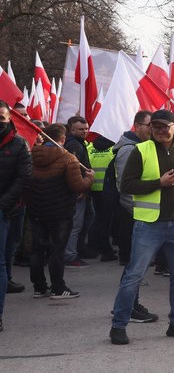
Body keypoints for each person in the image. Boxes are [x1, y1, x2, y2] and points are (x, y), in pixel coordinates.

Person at [109, 109, 174, 345]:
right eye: (157, 126)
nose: (162, 130)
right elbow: (126, 185)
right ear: (151, 128)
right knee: (134, 275)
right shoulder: (140, 150)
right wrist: (159, 183)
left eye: (166, 126)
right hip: (148, 224)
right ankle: (118, 326)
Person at [27, 124, 93, 300]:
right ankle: (58, 288)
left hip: (36, 209)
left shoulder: (31, 156)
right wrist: (89, 179)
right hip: (60, 212)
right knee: (57, 250)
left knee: (37, 249)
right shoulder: (68, 158)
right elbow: (77, 186)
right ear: (62, 139)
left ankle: (39, 288)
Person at [112, 112, 160, 324]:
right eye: (149, 126)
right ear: (137, 126)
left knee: (136, 265)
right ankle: (129, 308)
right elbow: (125, 187)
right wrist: (142, 212)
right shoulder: (129, 150)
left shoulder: (141, 147)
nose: (153, 130)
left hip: (139, 213)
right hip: (133, 214)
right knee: (135, 266)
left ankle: (125, 306)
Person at [0, 100, 33, 331]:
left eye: (1, 119)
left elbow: (24, 177)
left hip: (3, 210)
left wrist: (3, 204)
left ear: (9, 118)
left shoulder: (19, 144)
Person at [63, 116, 92, 268]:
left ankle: (77, 250)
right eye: (81, 129)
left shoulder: (79, 143)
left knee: (84, 221)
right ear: (71, 129)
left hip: (83, 188)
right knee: (75, 225)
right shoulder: (74, 144)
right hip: (78, 190)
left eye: (86, 128)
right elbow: (72, 168)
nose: (84, 131)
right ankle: (70, 256)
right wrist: (78, 187)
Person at [86, 134, 118, 261]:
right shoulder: (113, 148)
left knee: (98, 219)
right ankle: (105, 250)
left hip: (92, 187)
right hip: (108, 189)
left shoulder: (89, 147)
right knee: (105, 221)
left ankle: (95, 245)